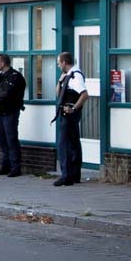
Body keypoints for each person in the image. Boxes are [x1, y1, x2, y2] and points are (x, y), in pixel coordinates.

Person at [54, 52, 89, 186]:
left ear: (64, 62)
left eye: (59, 63)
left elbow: (85, 95)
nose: (58, 66)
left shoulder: (75, 76)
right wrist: (60, 80)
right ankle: (74, 175)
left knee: (65, 144)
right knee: (73, 143)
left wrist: (73, 108)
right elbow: (58, 94)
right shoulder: (68, 76)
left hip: (70, 115)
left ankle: (66, 176)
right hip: (66, 114)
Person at [0, 54, 26, 177]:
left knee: (11, 139)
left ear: (3, 63)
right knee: (3, 140)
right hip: (0, 112)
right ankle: (5, 166)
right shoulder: (1, 76)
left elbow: (7, 94)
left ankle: (15, 167)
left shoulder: (15, 77)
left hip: (10, 112)